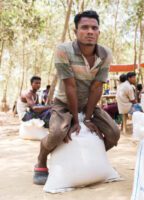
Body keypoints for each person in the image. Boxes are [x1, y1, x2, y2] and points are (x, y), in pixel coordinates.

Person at [33, 10, 120, 185]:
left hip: (89, 104)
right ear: (75, 31)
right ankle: (41, 160)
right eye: (84, 27)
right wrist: (75, 120)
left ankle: (92, 160)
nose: (90, 31)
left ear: (99, 32)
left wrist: (87, 118)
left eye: (94, 28)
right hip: (64, 103)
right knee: (58, 133)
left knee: (114, 133)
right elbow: (70, 86)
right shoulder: (63, 50)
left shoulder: (105, 54)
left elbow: (97, 87)